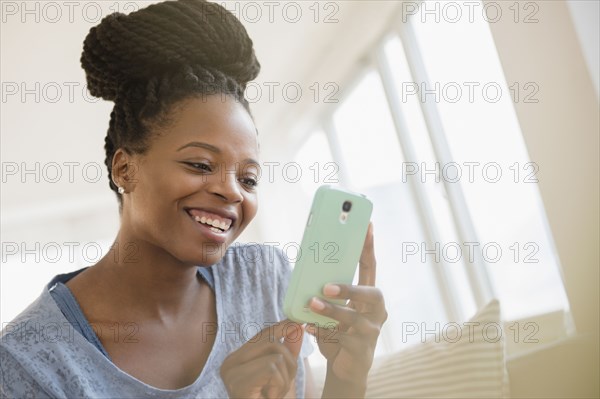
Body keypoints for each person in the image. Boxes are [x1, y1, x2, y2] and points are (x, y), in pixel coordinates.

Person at [0, 0, 387, 397]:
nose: (232, 191)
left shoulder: (264, 281)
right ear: (124, 170)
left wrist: (347, 377)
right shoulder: (28, 362)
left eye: (248, 179)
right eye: (201, 164)